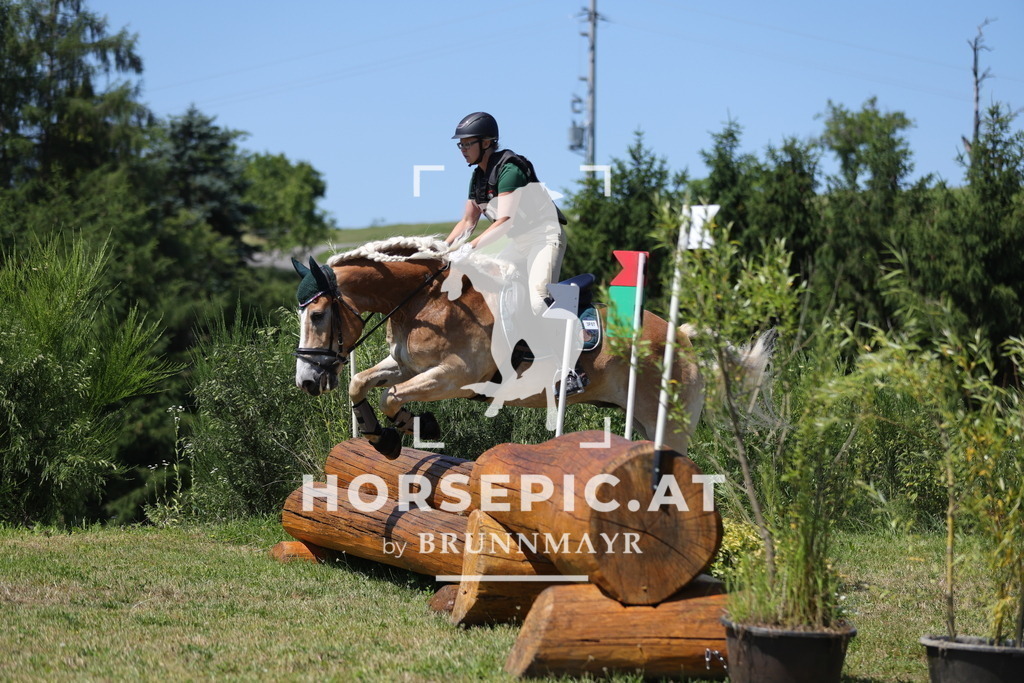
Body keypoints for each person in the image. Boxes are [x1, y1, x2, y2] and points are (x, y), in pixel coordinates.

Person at [443, 112, 567, 316]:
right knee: (486, 288)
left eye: (468, 144)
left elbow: (505, 222)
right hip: (516, 242)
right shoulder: (478, 177)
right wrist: (442, 249)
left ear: (486, 143)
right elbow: (467, 221)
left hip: (543, 237)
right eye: (461, 145)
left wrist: (469, 247)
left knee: (538, 301)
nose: (463, 150)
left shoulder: (510, 170)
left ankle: (577, 315)